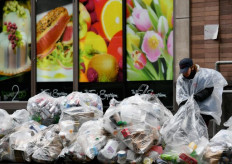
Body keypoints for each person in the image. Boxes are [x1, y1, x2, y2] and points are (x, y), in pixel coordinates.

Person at [176, 58, 228, 126]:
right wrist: (184, 105)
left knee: (201, 127)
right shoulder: (181, 80)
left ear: (191, 67)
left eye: (186, 71)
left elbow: (210, 88)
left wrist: (197, 97)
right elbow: (180, 95)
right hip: (189, 109)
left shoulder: (204, 75)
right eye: (182, 71)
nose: (184, 73)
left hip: (204, 108)